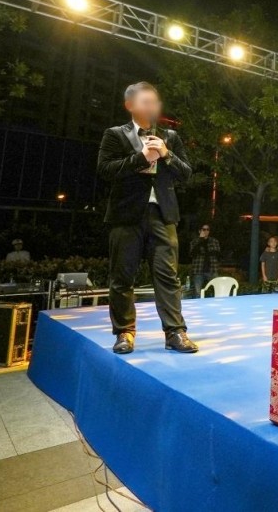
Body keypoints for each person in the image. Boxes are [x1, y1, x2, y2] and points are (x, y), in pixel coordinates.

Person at [96, 82, 198, 354]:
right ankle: (124, 333)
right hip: (126, 215)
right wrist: (140, 158)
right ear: (130, 105)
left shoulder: (170, 137)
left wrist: (166, 154)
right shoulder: (115, 134)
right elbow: (105, 170)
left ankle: (175, 332)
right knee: (122, 277)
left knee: (168, 276)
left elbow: (186, 173)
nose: (152, 106)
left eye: (154, 101)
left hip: (163, 214)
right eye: (145, 101)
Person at [189, 224, 221, 294]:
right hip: (198, 270)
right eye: (204, 229)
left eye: (207, 229)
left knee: (217, 290)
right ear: (199, 231)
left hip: (212, 269)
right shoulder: (194, 241)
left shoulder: (214, 241)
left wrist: (202, 253)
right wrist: (200, 240)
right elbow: (193, 254)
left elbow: (217, 253)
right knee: (197, 292)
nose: (206, 231)